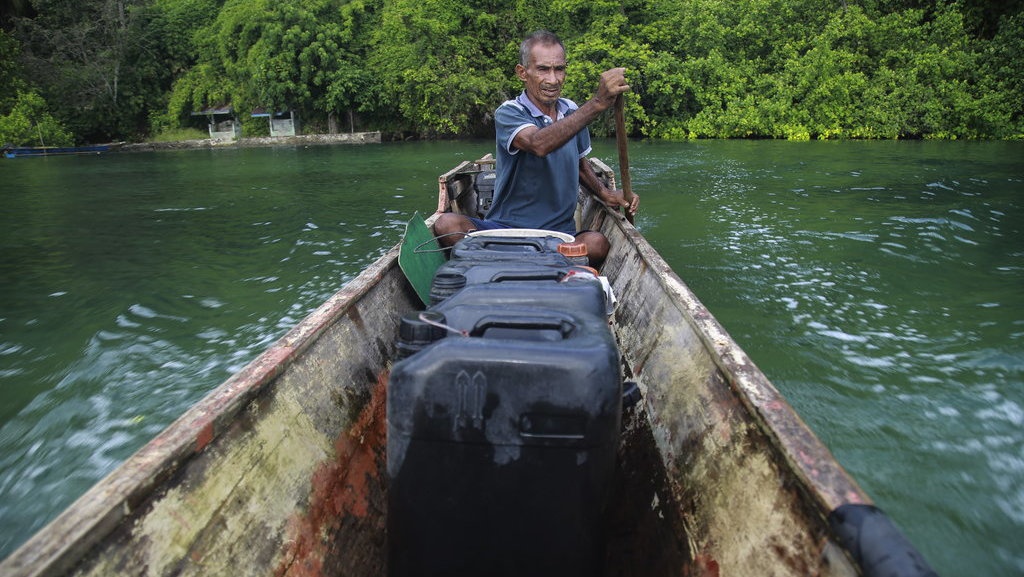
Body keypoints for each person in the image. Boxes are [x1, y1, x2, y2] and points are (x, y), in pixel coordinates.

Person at [432, 30, 639, 267]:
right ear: (523, 73)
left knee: (597, 243)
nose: (553, 80)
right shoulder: (510, 112)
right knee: (446, 224)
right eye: (543, 69)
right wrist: (597, 104)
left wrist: (605, 194)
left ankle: (504, 261)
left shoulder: (572, 111)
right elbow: (538, 144)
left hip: (558, 236)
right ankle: (540, 262)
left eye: (559, 69)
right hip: (505, 232)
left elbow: (580, 165)